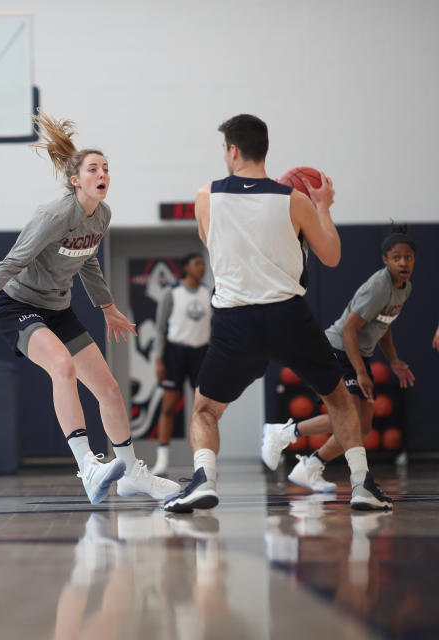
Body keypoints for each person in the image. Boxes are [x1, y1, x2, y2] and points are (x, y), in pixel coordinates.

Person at [0, 110, 179, 505]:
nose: (102, 173)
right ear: (76, 180)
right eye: (93, 168)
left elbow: (86, 259)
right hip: (16, 305)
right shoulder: (54, 215)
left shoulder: (101, 215)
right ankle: (88, 466)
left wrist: (106, 306)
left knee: (108, 388)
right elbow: (12, 262)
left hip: (58, 307)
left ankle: (131, 474)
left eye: (106, 168)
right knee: (62, 366)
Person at [163, 114, 392, 513]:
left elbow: (211, 244)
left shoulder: (206, 196)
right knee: (339, 400)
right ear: (262, 149)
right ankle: (361, 485)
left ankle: (204, 479)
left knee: (205, 410)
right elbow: (333, 256)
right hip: (287, 315)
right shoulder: (295, 200)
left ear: (232, 151)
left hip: (234, 319)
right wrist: (322, 208)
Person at [261, 225, 415, 490]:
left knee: (362, 428)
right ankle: (281, 433)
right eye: (396, 257)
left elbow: (384, 325)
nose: (403, 262)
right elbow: (348, 330)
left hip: (357, 355)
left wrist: (394, 361)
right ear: (385, 260)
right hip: (338, 350)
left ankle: (309, 466)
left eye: (408, 257)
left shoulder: (405, 288)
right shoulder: (379, 285)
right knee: (348, 419)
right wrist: (362, 372)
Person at [152, 252, 212, 476]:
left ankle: (203, 462)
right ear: (186, 267)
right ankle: (162, 461)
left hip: (202, 353)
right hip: (175, 352)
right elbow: (159, 328)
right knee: (168, 408)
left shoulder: (209, 293)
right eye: (197, 264)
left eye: (202, 264)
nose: (202, 268)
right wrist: (159, 359)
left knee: (203, 410)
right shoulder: (172, 293)